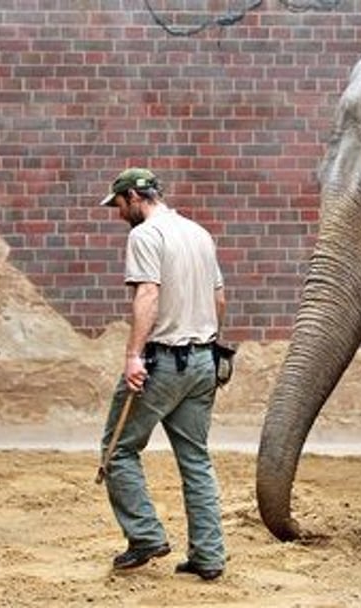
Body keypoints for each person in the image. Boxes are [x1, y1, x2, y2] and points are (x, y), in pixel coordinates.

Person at [97, 167, 226, 581]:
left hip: (161, 364)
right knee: (196, 460)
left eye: (118, 204)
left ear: (135, 197)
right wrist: (204, 338)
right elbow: (219, 298)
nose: (118, 214)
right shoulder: (199, 233)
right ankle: (208, 556)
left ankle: (145, 536)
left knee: (117, 451)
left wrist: (134, 354)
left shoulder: (145, 236)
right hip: (204, 360)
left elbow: (148, 293)